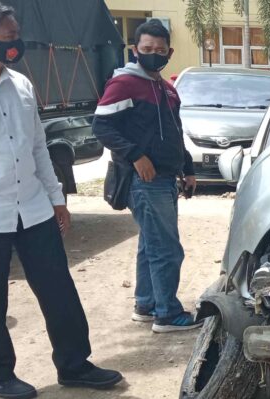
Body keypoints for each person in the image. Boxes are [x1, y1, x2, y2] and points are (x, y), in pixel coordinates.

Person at [0, 0, 122, 399]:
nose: (17, 44)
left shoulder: (22, 85)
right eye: (10, 37)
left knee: (58, 288)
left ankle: (74, 364)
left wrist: (56, 198)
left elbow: (37, 148)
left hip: (31, 209)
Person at [93, 21, 199, 333]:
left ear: (170, 52)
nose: (154, 54)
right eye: (147, 49)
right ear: (135, 50)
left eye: (160, 50)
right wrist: (136, 155)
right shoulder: (124, 84)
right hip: (144, 181)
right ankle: (167, 314)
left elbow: (175, 134)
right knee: (166, 247)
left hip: (166, 178)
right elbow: (102, 126)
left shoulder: (166, 90)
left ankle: (147, 303)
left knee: (150, 243)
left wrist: (188, 168)